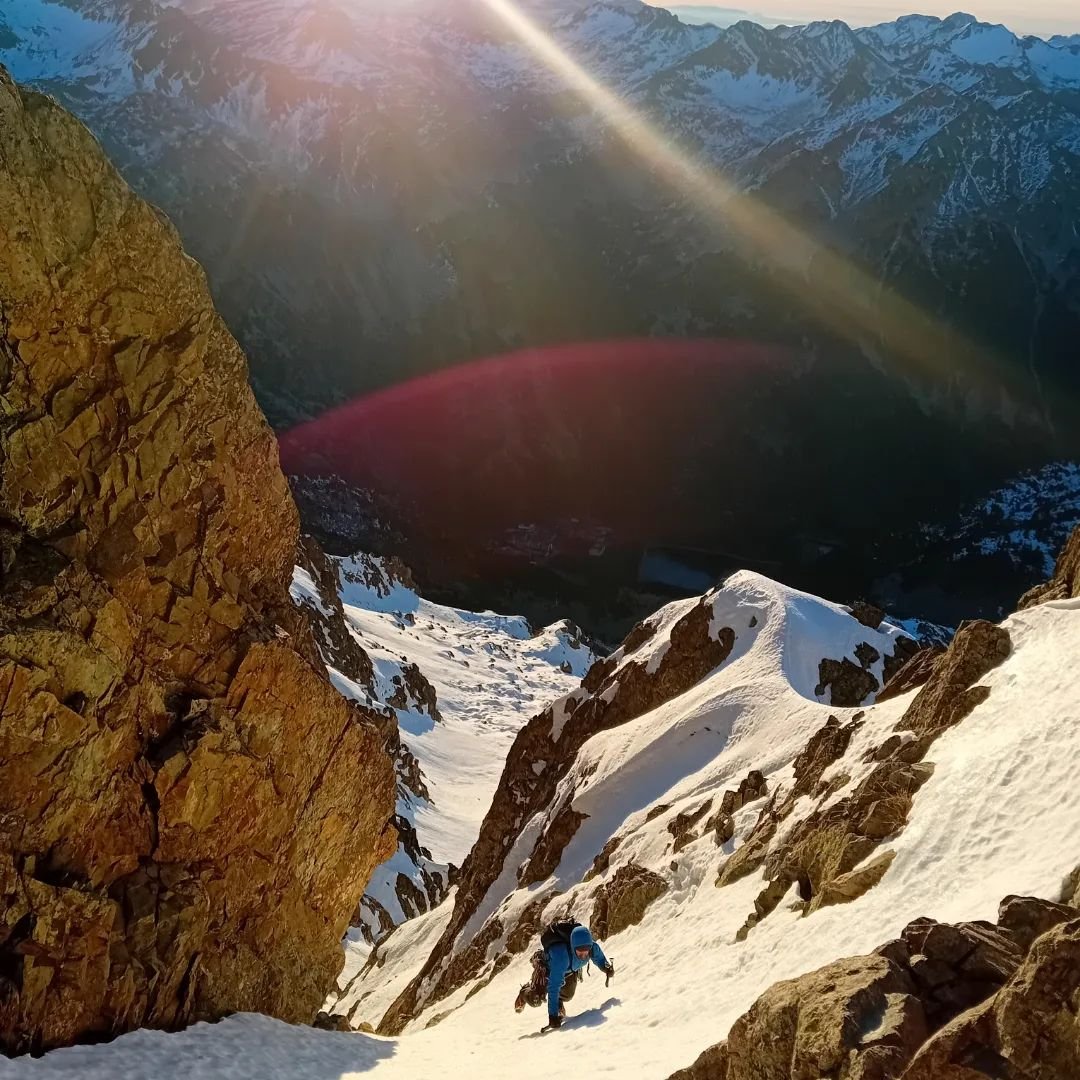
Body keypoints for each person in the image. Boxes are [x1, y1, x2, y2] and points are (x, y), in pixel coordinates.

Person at [515, 921, 614, 1029]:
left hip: (569, 970)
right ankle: (524, 992)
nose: (584, 955)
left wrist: (606, 967)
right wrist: (552, 1016)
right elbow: (554, 987)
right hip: (547, 969)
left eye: (586, 951)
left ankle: (558, 1003)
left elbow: (598, 956)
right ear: (573, 946)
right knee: (536, 1000)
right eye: (580, 952)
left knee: (568, 995)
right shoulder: (561, 957)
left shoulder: (590, 947)